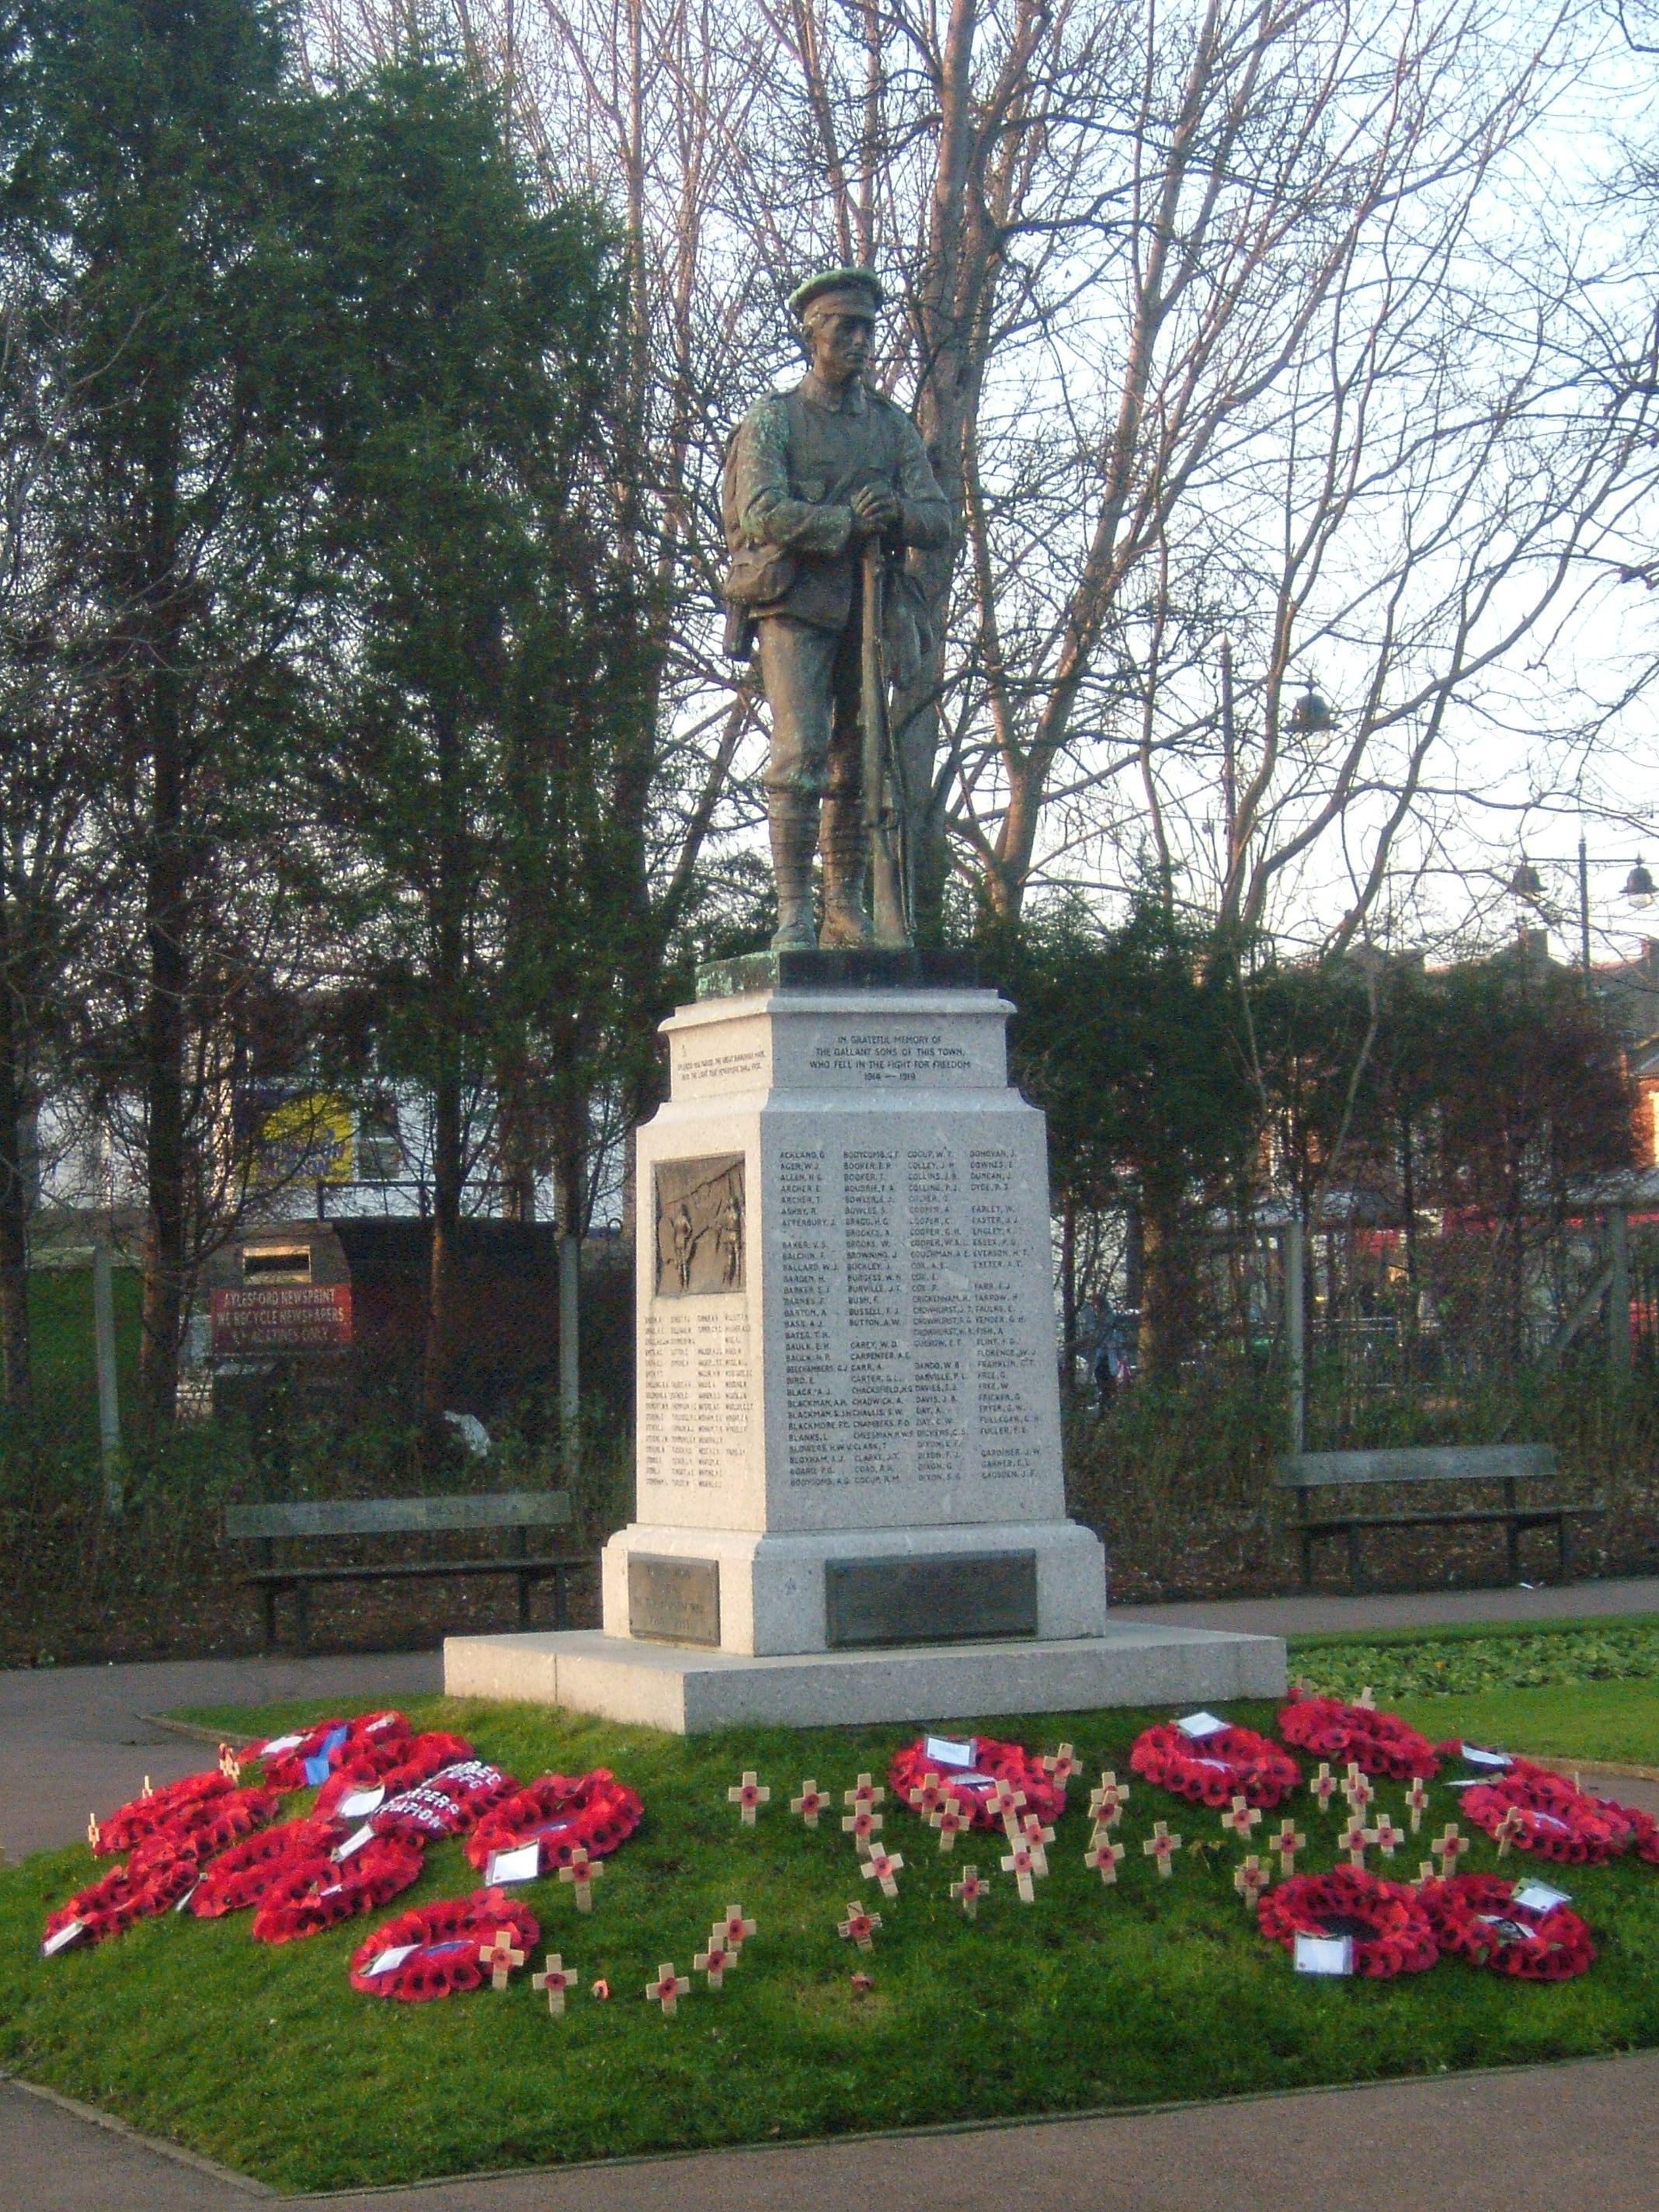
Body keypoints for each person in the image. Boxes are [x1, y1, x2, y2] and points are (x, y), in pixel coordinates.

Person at [723, 268, 950, 948]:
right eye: (843, 326)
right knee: (800, 756)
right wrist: (843, 522)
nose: (858, 340)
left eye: (866, 328)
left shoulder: (889, 427)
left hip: (870, 610)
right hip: (795, 605)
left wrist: (899, 512)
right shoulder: (774, 420)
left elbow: (939, 518)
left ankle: (844, 908)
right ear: (811, 334)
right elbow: (758, 510)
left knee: (861, 765)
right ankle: (795, 911)